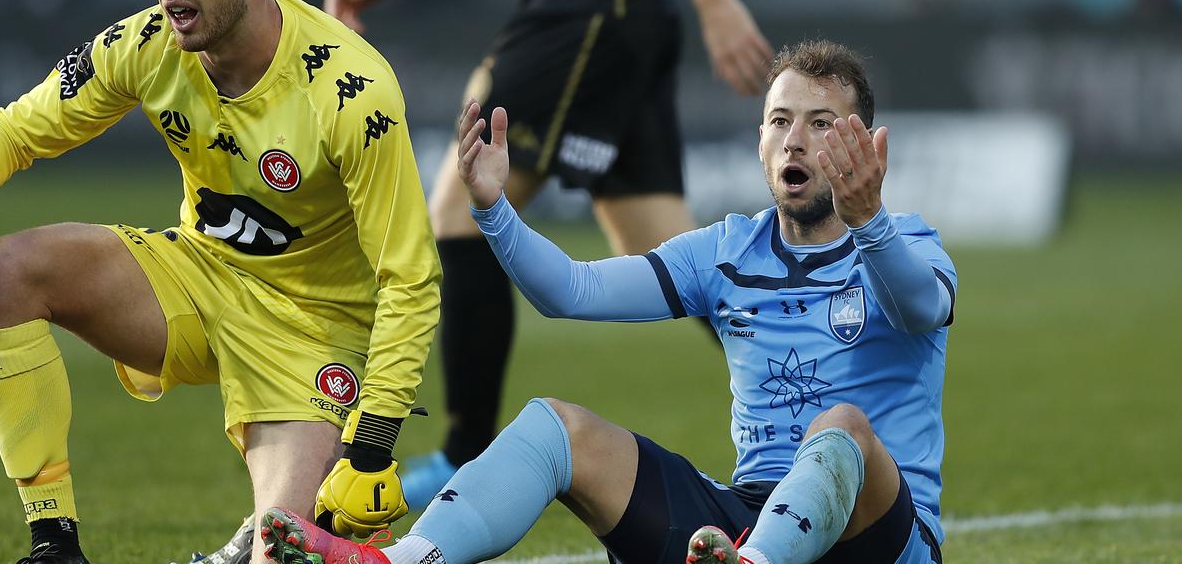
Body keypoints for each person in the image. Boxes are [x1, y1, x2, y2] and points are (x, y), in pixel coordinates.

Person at [0, 0, 440, 564]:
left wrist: (371, 451)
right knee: (8, 270)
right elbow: (19, 127)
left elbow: (410, 277)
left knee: (287, 551)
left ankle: (269, 531)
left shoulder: (351, 92)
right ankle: (53, 546)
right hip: (197, 277)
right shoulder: (148, 42)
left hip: (316, 332)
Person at [257, 39, 955, 564]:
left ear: (865, 142)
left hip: (883, 537)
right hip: (745, 521)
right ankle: (399, 560)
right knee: (553, 426)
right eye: (778, 121)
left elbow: (920, 308)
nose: (794, 139)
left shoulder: (909, 245)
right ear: (761, 142)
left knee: (843, 423)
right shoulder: (724, 251)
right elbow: (571, 290)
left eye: (821, 122)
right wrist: (495, 207)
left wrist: (870, 224)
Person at [322, 0, 774, 508]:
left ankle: (461, 454)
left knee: (456, 214)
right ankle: (829, 386)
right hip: (605, 10)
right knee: (662, 249)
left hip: (585, 8)